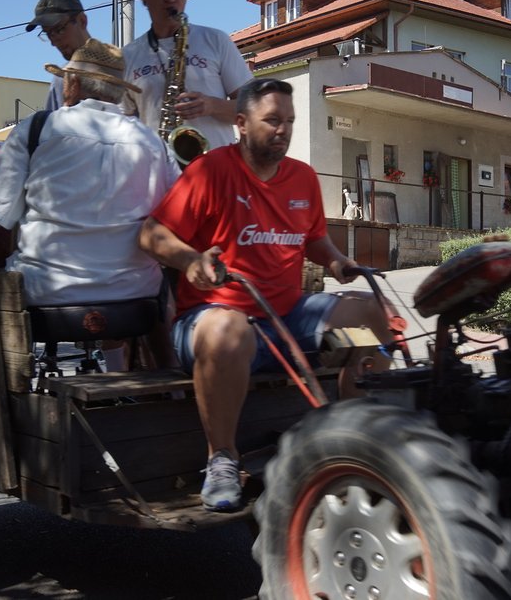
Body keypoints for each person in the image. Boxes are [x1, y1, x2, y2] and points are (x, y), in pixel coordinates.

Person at [138, 78, 392, 512]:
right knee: (228, 329)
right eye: (272, 120)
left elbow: (314, 239)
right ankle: (221, 458)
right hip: (210, 323)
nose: (284, 130)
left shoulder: (303, 178)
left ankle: (356, 437)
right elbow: (150, 234)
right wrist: (192, 261)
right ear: (240, 123)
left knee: (369, 313)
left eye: (289, 121)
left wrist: (335, 262)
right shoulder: (210, 171)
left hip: (287, 321)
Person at [0, 39, 180, 368]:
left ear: (72, 84)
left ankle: (3, 385)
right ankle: (129, 380)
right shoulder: (152, 141)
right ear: (118, 92)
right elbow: (178, 214)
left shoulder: (38, 129)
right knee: (154, 281)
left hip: (44, 296)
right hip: (136, 299)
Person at [122, 0, 253, 151]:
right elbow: (123, 126)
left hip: (214, 171)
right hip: (159, 172)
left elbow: (254, 108)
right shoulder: (128, 56)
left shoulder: (216, 40)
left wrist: (211, 105)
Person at [25, 0, 93, 112]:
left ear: (82, 21)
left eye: (59, 30)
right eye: (48, 33)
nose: (53, 42)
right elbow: (54, 130)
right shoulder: (60, 80)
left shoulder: (121, 67)